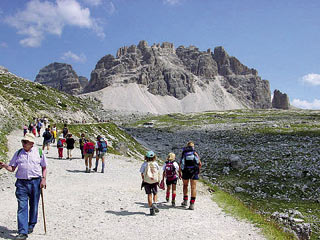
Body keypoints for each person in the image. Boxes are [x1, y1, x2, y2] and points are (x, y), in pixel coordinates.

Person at [0, 133, 47, 240]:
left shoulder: (39, 152)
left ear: (32, 143)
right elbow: (12, 168)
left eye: (25, 142)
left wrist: (43, 179)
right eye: (23, 141)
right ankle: (22, 232)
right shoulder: (18, 153)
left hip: (35, 182)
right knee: (22, 206)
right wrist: (4, 166)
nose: (23, 143)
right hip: (21, 183)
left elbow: (44, 167)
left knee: (34, 204)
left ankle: (31, 224)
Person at [179, 141, 201, 210]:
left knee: (185, 185)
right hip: (194, 172)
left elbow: (181, 163)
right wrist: (197, 171)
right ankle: (192, 204)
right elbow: (200, 164)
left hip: (185, 171)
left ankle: (185, 201)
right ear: (193, 147)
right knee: (193, 188)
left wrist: (180, 172)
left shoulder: (184, 153)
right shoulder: (195, 153)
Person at [140, 151, 160, 216]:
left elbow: (141, 173)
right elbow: (158, 171)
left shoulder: (144, 164)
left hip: (147, 181)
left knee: (149, 194)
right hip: (154, 181)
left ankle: (151, 209)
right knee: (155, 193)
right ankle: (155, 203)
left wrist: (144, 179)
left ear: (146, 157)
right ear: (154, 157)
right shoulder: (155, 164)